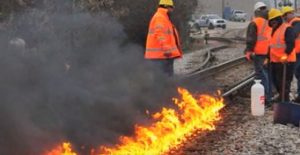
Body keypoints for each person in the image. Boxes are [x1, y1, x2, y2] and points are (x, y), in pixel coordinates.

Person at [144, 0, 182, 76]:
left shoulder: (163, 17)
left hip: (162, 55)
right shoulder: (160, 17)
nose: (172, 10)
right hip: (161, 55)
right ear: (166, 7)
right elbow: (160, 34)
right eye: (171, 8)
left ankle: (167, 88)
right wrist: (167, 49)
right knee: (164, 79)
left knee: (164, 79)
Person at [245, 2, 271, 103]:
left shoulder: (254, 23)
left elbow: (251, 39)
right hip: (267, 53)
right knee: (267, 75)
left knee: (261, 76)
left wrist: (248, 51)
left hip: (258, 54)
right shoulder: (268, 22)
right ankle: (268, 97)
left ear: (256, 11)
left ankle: (265, 99)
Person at [268, 8, 296, 102]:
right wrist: (268, 58)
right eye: (271, 21)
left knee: (285, 83)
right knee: (276, 82)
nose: (273, 23)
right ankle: (282, 97)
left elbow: (291, 43)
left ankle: (285, 101)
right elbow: (272, 46)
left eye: (274, 21)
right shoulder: (274, 30)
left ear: (278, 19)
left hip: (286, 61)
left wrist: (285, 55)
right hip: (275, 61)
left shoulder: (287, 28)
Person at [281, 6, 300, 102]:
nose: (284, 18)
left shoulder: (296, 22)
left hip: (299, 52)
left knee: (298, 73)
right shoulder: (292, 23)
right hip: (297, 51)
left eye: (285, 15)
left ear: (290, 13)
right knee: (297, 74)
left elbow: (294, 35)